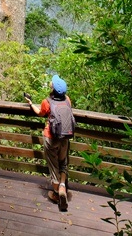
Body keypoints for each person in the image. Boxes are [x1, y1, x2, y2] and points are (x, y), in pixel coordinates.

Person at [26, 74, 75, 211]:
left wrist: (30, 104)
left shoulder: (46, 102)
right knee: (63, 163)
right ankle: (63, 188)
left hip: (51, 137)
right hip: (65, 137)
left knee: (53, 167)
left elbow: (40, 112)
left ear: (52, 88)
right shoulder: (68, 100)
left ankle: (56, 194)